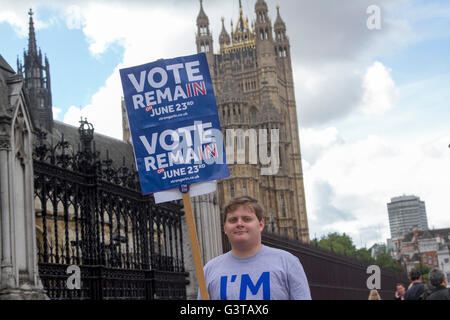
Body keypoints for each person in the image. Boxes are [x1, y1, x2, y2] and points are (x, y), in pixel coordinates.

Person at [200, 196, 311, 300]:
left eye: (247, 219)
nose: (239, 224)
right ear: (225, 227)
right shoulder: (210, 270)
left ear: (261, 224)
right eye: (233, 220)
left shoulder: (287, 262)